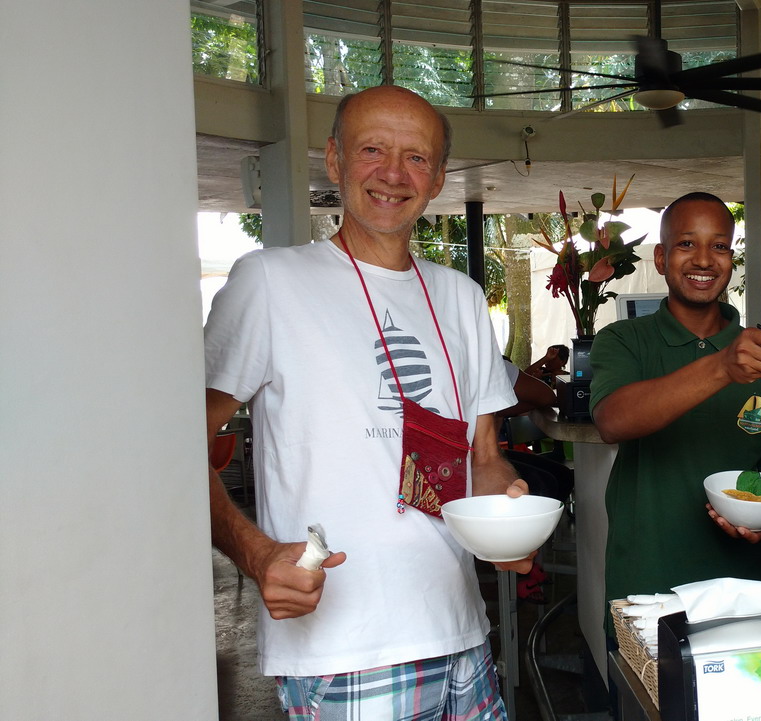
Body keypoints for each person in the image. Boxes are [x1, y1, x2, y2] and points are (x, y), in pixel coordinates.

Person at [204, 85, 529, 720]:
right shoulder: (270, 281)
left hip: (462, 632)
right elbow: (173, 446)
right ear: (334, 160)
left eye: (416, 158)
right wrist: (255, 554)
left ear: (436, 179)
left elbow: (483, 456)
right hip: (344, 651)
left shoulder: (461, 296)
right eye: (372, 150)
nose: (392, 173)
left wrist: (508, 515)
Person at [588, 191, 761, 612]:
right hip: (647, 584)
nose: (704, 260)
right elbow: (613, 420)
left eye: (719, 246)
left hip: (744, 590)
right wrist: (723, 366)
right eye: (687, 243)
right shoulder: (624, 340)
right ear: (660, 257)